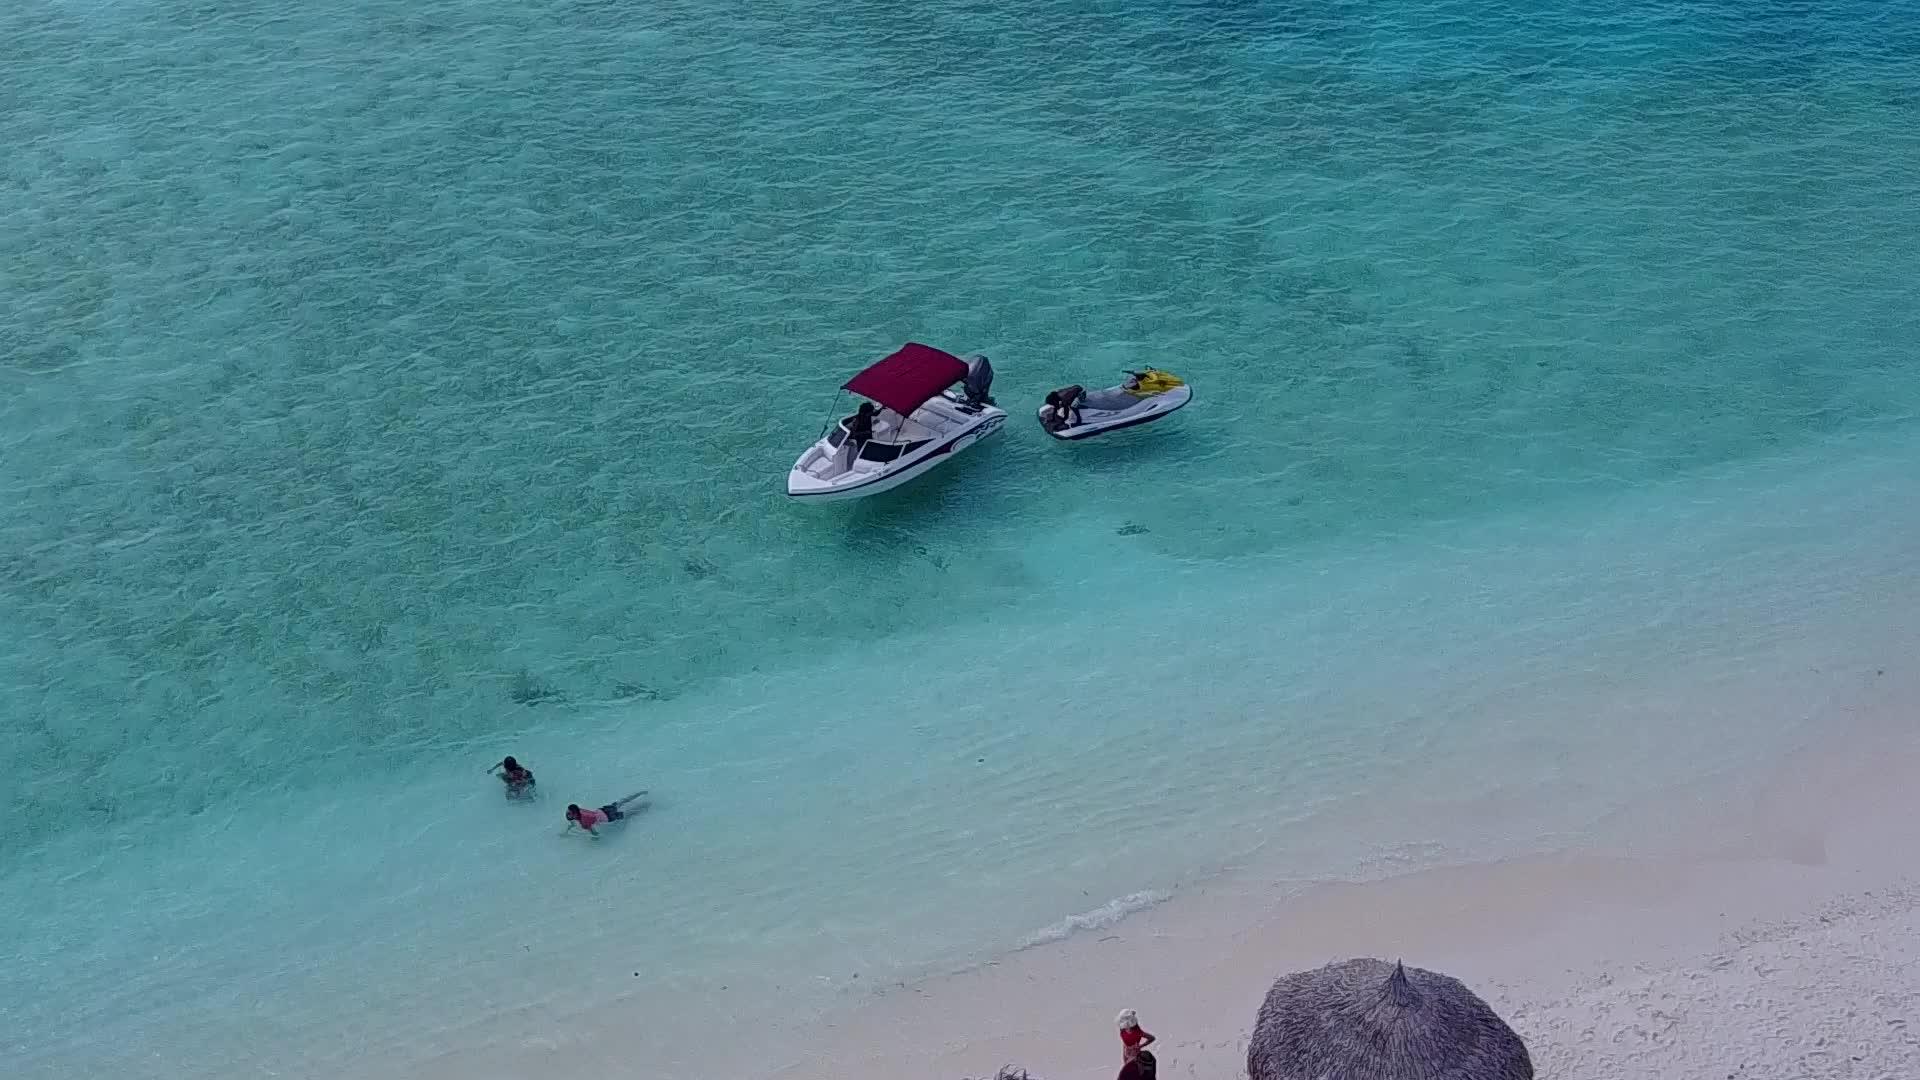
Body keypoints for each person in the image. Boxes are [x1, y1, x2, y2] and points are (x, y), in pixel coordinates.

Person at [564, 790, 649, 839]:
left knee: (629, 813)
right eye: (568, 812)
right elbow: (573, 821)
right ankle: (642, 793)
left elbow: (593, 832)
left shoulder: (583, 822)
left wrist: (596, 838)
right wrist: (567, 830)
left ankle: (646, 805)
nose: (567, 814)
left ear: (575, 814)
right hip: (604, 810)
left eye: (569, 813)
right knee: (623, 801)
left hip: (608, 817)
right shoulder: (579, 810)